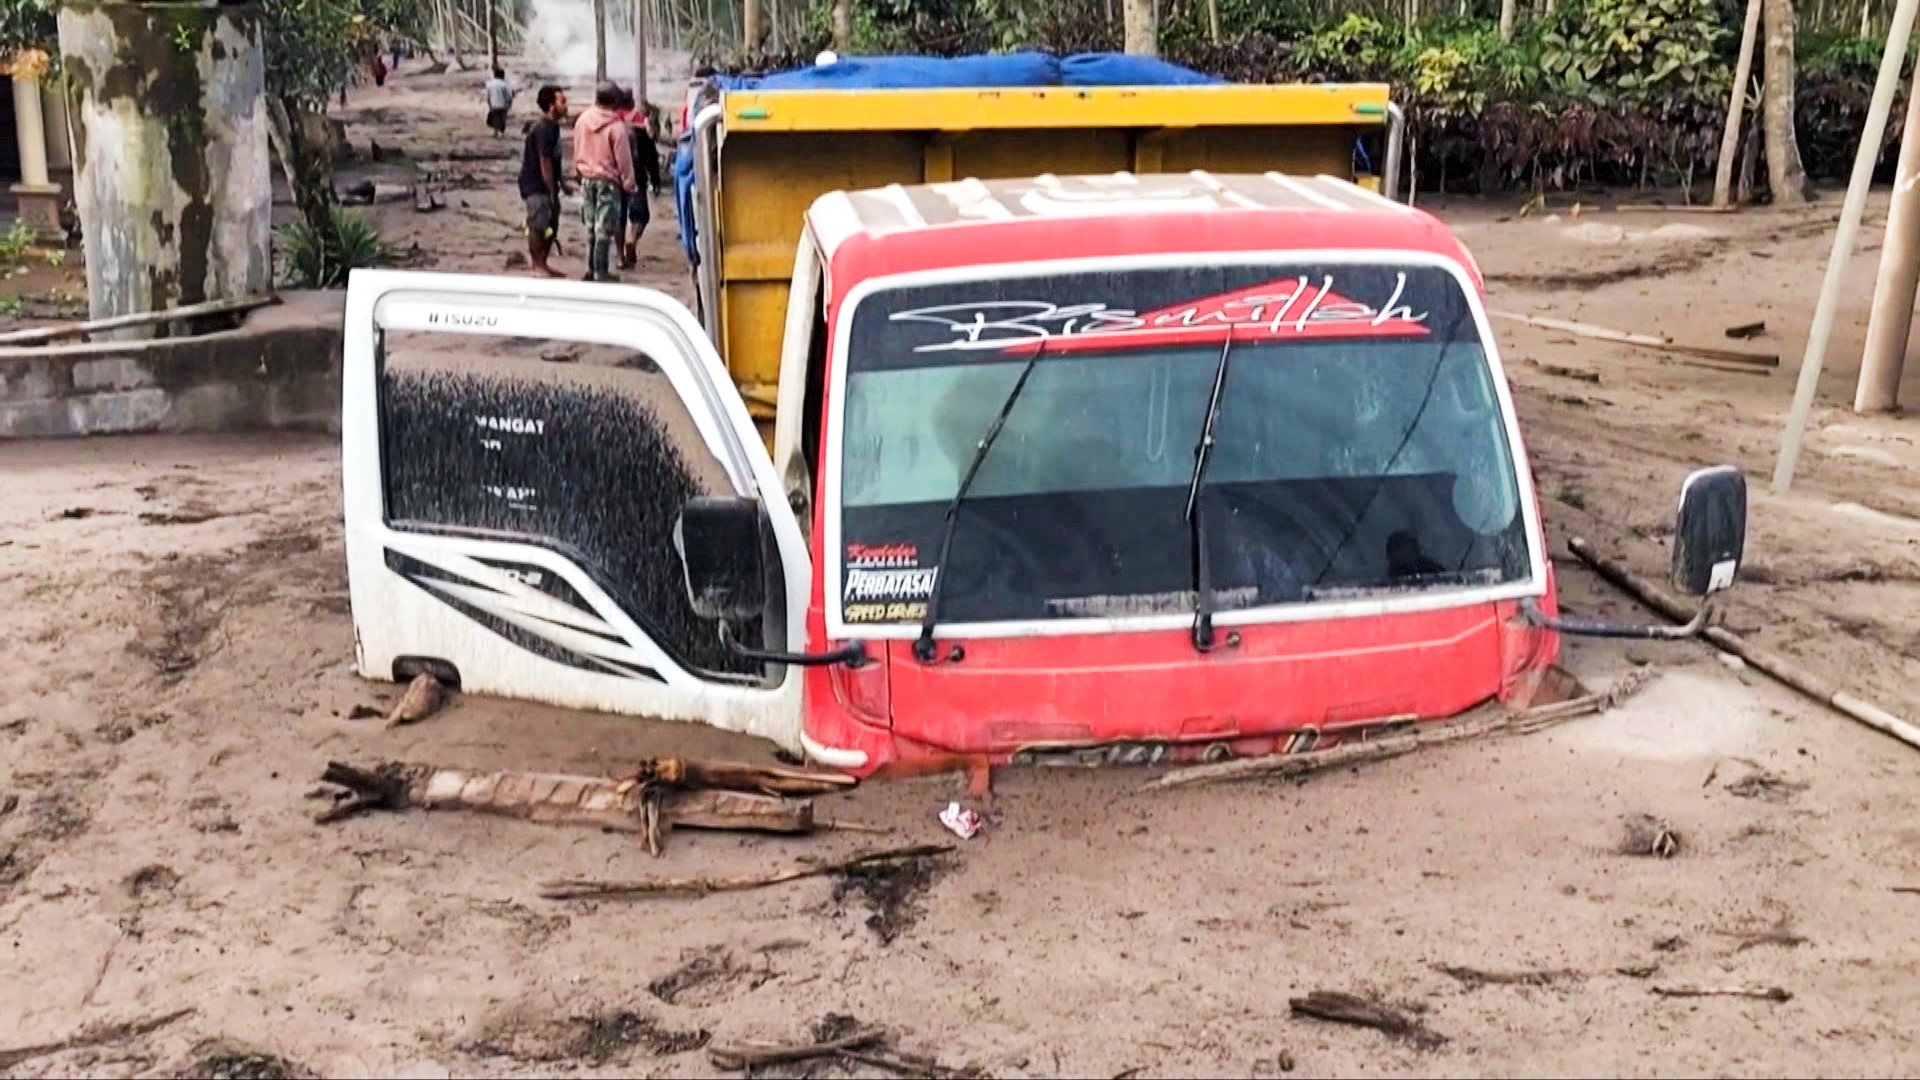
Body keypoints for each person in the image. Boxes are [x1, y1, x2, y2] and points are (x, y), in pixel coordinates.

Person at [573, 81, 638, 282]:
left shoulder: (582, 120)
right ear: (615, 101)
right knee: (604, 227)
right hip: (607, 182)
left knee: (590, 225)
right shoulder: (616, 127)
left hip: (586, 179)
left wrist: (578, 171)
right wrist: (629, 183)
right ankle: (600, 271)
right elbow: (624, 159)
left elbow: (577, 148)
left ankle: (590, 269)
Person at [519, 85, 568, 278]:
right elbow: (544, 161)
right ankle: (537, 265)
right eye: (562, 102)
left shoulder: (552, 127)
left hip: (546, 185)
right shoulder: (543, 128)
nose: (566, 106)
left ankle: (543, 263)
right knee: (538, 225)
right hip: (535, 184)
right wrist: (551, 190)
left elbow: (554, 160)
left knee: (551, 224)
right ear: (551, 105)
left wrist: (561, 184)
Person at [614, 89, 663, 269]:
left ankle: (620, 256)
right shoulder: (641, 125)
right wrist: (655, 180)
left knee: (618, 217)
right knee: (641, 215)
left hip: (614, 177)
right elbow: (652, 156)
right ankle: (632, 240)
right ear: (632, 102)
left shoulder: (611, 124)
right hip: (637, 177)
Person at [484, 66, 514, 137]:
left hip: (493, 104)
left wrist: (489, 104)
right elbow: (509, 96)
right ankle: (502, 132)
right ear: (502, 75)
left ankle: (495, 132)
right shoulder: (505, 84)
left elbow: (488, 95)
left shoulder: (489, 84)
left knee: (495, 118)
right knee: (502, 119)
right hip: (503, 105)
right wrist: (510, 104)